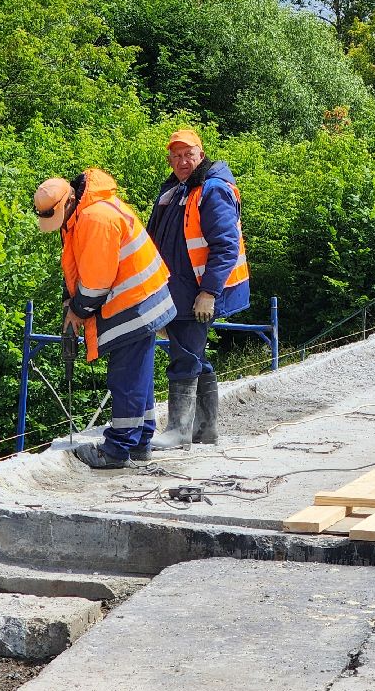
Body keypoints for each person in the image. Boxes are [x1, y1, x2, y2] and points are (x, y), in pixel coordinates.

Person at [34, 169, 177, 469]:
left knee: (125, 377)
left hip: (135, 302)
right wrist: (69, 299)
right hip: (140, 298)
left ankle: (116, 450)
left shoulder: (95, 218)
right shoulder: (81, 213)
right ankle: (139, 442)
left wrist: (77, 310)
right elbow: (79, 263)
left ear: (68, 201)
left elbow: (97, 283)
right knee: (138, 375)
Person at [145, 128, 250, 450]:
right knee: (194, 355)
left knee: (185, 357)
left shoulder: (211, 190)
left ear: (201, 155)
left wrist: (209, 293)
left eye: (188, 155)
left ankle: (179, 430)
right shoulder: (177, 189)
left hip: (195, 293)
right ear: (169, 160)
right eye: (176, 156)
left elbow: (226, 246)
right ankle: (205, 429)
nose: (182, 161)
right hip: (178, 290)